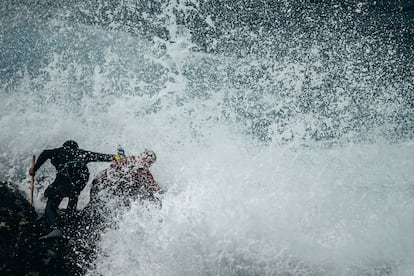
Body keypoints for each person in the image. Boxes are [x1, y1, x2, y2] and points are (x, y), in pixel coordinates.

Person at [29, 140, 115, 239]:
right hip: (82, 177)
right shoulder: (82, 153)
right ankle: (70, 225)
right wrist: (118, 157)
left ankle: (58, 228)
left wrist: (34, 169)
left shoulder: (60, 150)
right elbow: (102, 157)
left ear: (65, 146)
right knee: (73, 195)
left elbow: (45, 153)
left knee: (51, 207)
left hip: (67, 174)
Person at [90, 148, 164, 205]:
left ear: (150, 165)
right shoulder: (128, 160)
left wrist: (166, 193)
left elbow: (154, 187)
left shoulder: (146, 174)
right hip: (101, 185)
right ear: (141, 155)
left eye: (149, 162)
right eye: (145, 157)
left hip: (116, 195)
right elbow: (112, 170)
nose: (146, 162)